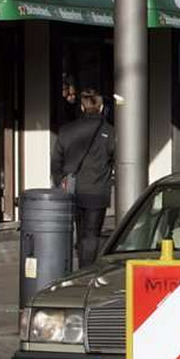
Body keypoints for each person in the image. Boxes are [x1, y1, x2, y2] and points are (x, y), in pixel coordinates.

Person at [50, 88, 116, 268]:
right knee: (91, 233)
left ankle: (75, 265)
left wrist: (60, 181)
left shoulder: (67, 130)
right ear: (101, 107)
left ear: (81, 106)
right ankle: (86, 269)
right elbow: (116, 157)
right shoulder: (110, 132)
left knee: (78, 232)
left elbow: (56, 161)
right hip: (97, 190)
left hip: (72, 189)